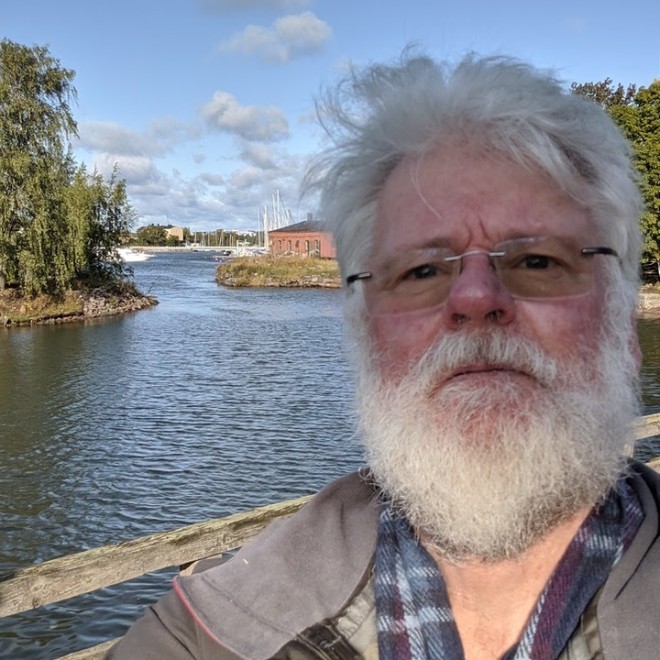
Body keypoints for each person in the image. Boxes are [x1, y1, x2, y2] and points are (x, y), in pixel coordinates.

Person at [107, 52, 660, 659]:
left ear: (624, 328)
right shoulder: (204, 636)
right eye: (421, 270)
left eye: (538, 260)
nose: (476, 298)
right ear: (362, 337)